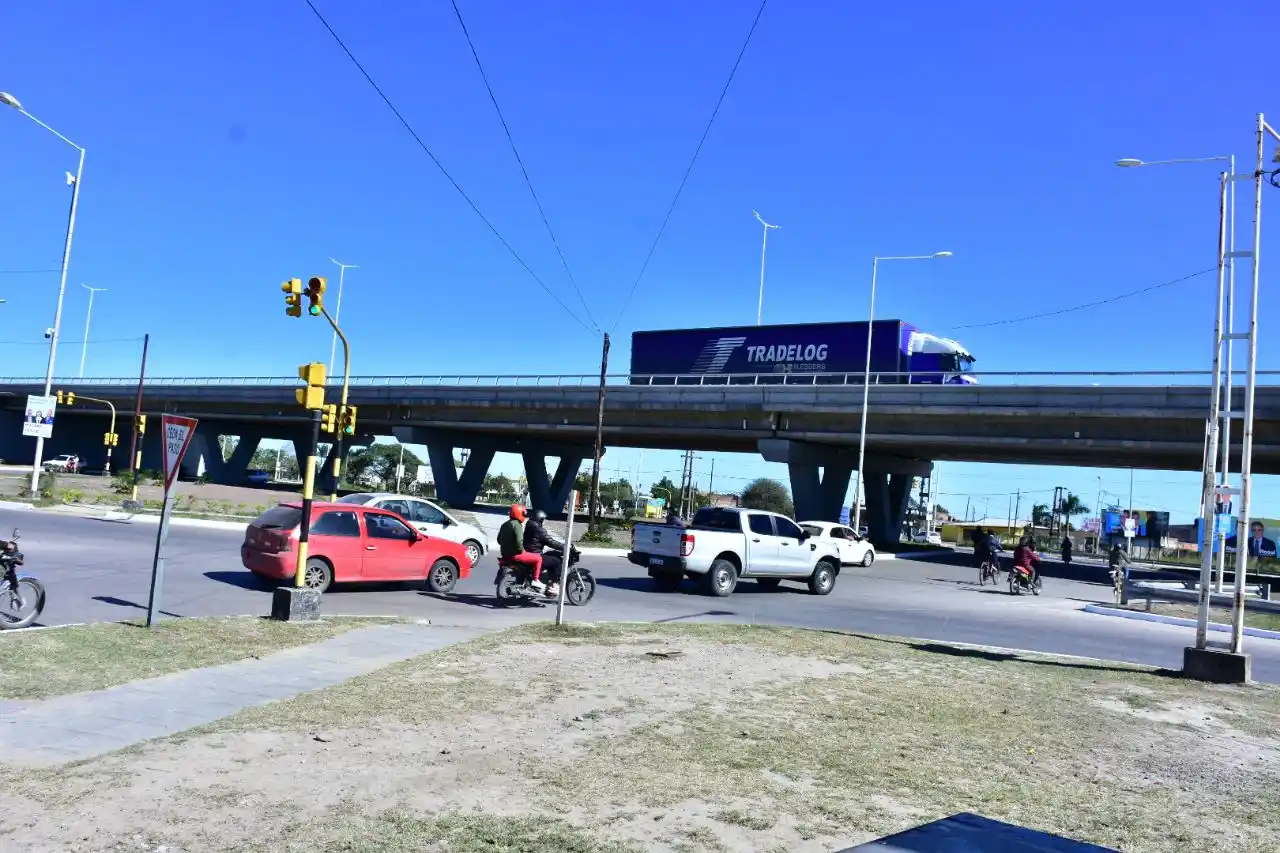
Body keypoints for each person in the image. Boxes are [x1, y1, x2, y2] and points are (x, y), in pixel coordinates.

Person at [497, 504, 545, 593]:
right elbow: (519, 541)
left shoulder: (505, 524)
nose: (524, 516)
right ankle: (535, 580)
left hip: (505, 555)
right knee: (538, 558)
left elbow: (499, 540)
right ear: (519, 513)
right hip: (516, 555)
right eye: (523, 514)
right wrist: (521, 550)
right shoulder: (517, 525)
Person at [523, 508, 565, 595]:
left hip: (529, 551)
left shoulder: (529, 525)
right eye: (542, 519)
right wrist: (564, 547)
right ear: (539, 519)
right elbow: (550, 541)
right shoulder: (538, 529)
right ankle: (555, 584)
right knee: (557, 561)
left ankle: (546, 581)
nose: (543, 521)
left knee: (550, 554)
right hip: (535, 553)